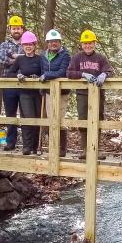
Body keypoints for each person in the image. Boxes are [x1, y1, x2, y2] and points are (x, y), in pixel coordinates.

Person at [67, 29, 114, 160]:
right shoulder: (77, 57)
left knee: (97, 119)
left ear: (94, 43)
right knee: (83, 120)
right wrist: (82, 74)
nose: (88, 46)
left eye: (90, 43)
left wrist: (104, 74)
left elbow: (109, 70)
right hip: (82, 94)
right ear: (82, 44)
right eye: (85, 43)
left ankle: (96, 149)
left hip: (98, 93)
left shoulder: (100, 58)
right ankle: (84, 149)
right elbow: (69, 73)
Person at [40, 29, 71, 157]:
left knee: (60, 119)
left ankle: (62, 148)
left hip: (62, 92)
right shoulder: (43, 55)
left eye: (56, 41)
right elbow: (41, 70)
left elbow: (62, 72)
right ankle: (53, 146)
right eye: (51, 41)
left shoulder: (65, 55)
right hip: (48, 91)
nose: (53, 43)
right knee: (51, 119)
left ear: (60, 42)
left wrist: (46, 75)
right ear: (47, 43)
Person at [0, 15, 26, 151]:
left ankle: (27, 144)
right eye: (13, 28)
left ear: (22, 29)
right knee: (10, 114)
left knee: (26, 114)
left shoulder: (27, 43)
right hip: (8, 83)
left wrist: (13, 56)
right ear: (10, 29)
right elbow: (2, 59)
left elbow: (29, 60)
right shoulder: (4, 44)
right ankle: (10, 142)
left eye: (18, 28)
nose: (16, 30)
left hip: (25, 84)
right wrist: (20, 59)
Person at [13, 31, 42, 155]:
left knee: (37, 120)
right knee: (27, 119)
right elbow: (10, 73)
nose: (28, 47)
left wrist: (39, 76)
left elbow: (44, 72)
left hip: (38, 94)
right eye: (25, 45)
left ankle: (35, 147)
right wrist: (18, 75)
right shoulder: (20, 59)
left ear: (34, 45)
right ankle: (27, 146)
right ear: (22, 46)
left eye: (30, 44)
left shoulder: (40, 59)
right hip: (25, 93)